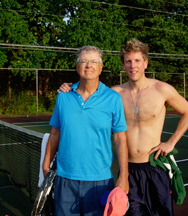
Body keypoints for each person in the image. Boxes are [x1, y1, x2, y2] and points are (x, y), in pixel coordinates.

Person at [58, 39, 188, 215]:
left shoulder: (162, 89)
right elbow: (89, 89)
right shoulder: (114, 94)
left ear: (145, 63)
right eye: (128, 61)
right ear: (123, 65)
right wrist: (68, 87)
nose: (133, 66)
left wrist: (171, 143)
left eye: (137, 61)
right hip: (128, 170)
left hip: (155, 168)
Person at [43, 45, 129, 216]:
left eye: (94, 61)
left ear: (100, 68)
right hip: (65, 180)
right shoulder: (63, 97)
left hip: (100, 182)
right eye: (83, 61)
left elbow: (120, 139)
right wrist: (45, 166)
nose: (88, 65)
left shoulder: (113, 98)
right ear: (77, 67)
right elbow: (55, 134)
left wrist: (124, 175)